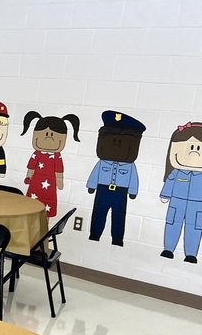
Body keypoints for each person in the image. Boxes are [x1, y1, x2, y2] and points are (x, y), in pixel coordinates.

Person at [87, 111, 146, 247]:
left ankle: (117, 239)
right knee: (98, 212)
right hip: (102, 190)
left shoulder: (130, 166)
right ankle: (95, 234)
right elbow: (95, 173)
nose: (116, 145)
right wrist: (92, 185)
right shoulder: (102, 163)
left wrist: (132, 191)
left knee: (119, 215)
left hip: (121, 192)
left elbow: (133, 178)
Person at [21, 112, 80, 217]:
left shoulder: (57, 156)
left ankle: (44, 228)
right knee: (29, 208)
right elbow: (31, 168)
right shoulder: (37, 154)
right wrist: (28, 177)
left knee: (46, 210)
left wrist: (60, 183)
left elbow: (59, 171)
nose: (49, 138)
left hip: (50, 187)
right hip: (35, 184)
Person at [159, 122, 202, 263]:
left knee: (194, 228)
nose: (194, 151)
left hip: (197, 206)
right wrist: (165, 195)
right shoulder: (176, 172)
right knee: (172, 223)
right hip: (177, 202)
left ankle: (191, 254)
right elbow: (169, 183)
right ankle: (168, 249)